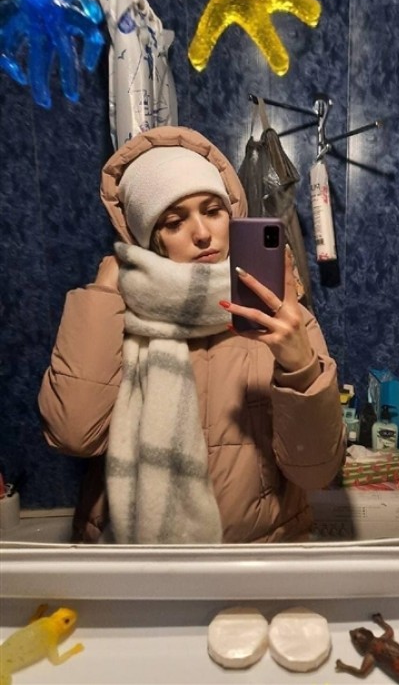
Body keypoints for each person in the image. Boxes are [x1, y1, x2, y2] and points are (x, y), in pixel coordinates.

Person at [38, 126, 345, 544]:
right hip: (135, 565)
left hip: (259, 558)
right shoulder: (114, 315)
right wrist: (103, 295)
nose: (201, 233)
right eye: (174, 221)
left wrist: (300, 367)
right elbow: (73, 434)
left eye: (213, 211)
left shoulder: (281, 317)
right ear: (150, 238)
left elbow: (316, 471)